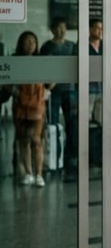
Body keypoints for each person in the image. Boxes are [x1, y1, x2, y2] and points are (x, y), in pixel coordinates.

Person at [40, 17, 78, 182]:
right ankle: (53, 159)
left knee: (72, 125)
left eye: (64, 27)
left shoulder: (72, 46)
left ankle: (70, 158)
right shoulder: (47, 47)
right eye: (58, 27)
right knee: (53, 125)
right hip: (54, 91)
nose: (62, 30)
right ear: (52, 29)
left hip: (70, 90)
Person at [13, 31, 46, 187]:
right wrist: (15, 91)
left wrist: (47, 92)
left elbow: (51, 80)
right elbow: (6, 81)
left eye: (33, 41)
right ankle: (28, 173)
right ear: (21, 43)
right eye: (27, 41)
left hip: (37, 106)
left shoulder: (40, 61)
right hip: (20, 105)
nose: (31, 44)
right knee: (23, 139)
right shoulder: (14, 60)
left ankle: (39, 174)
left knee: (36, 139)